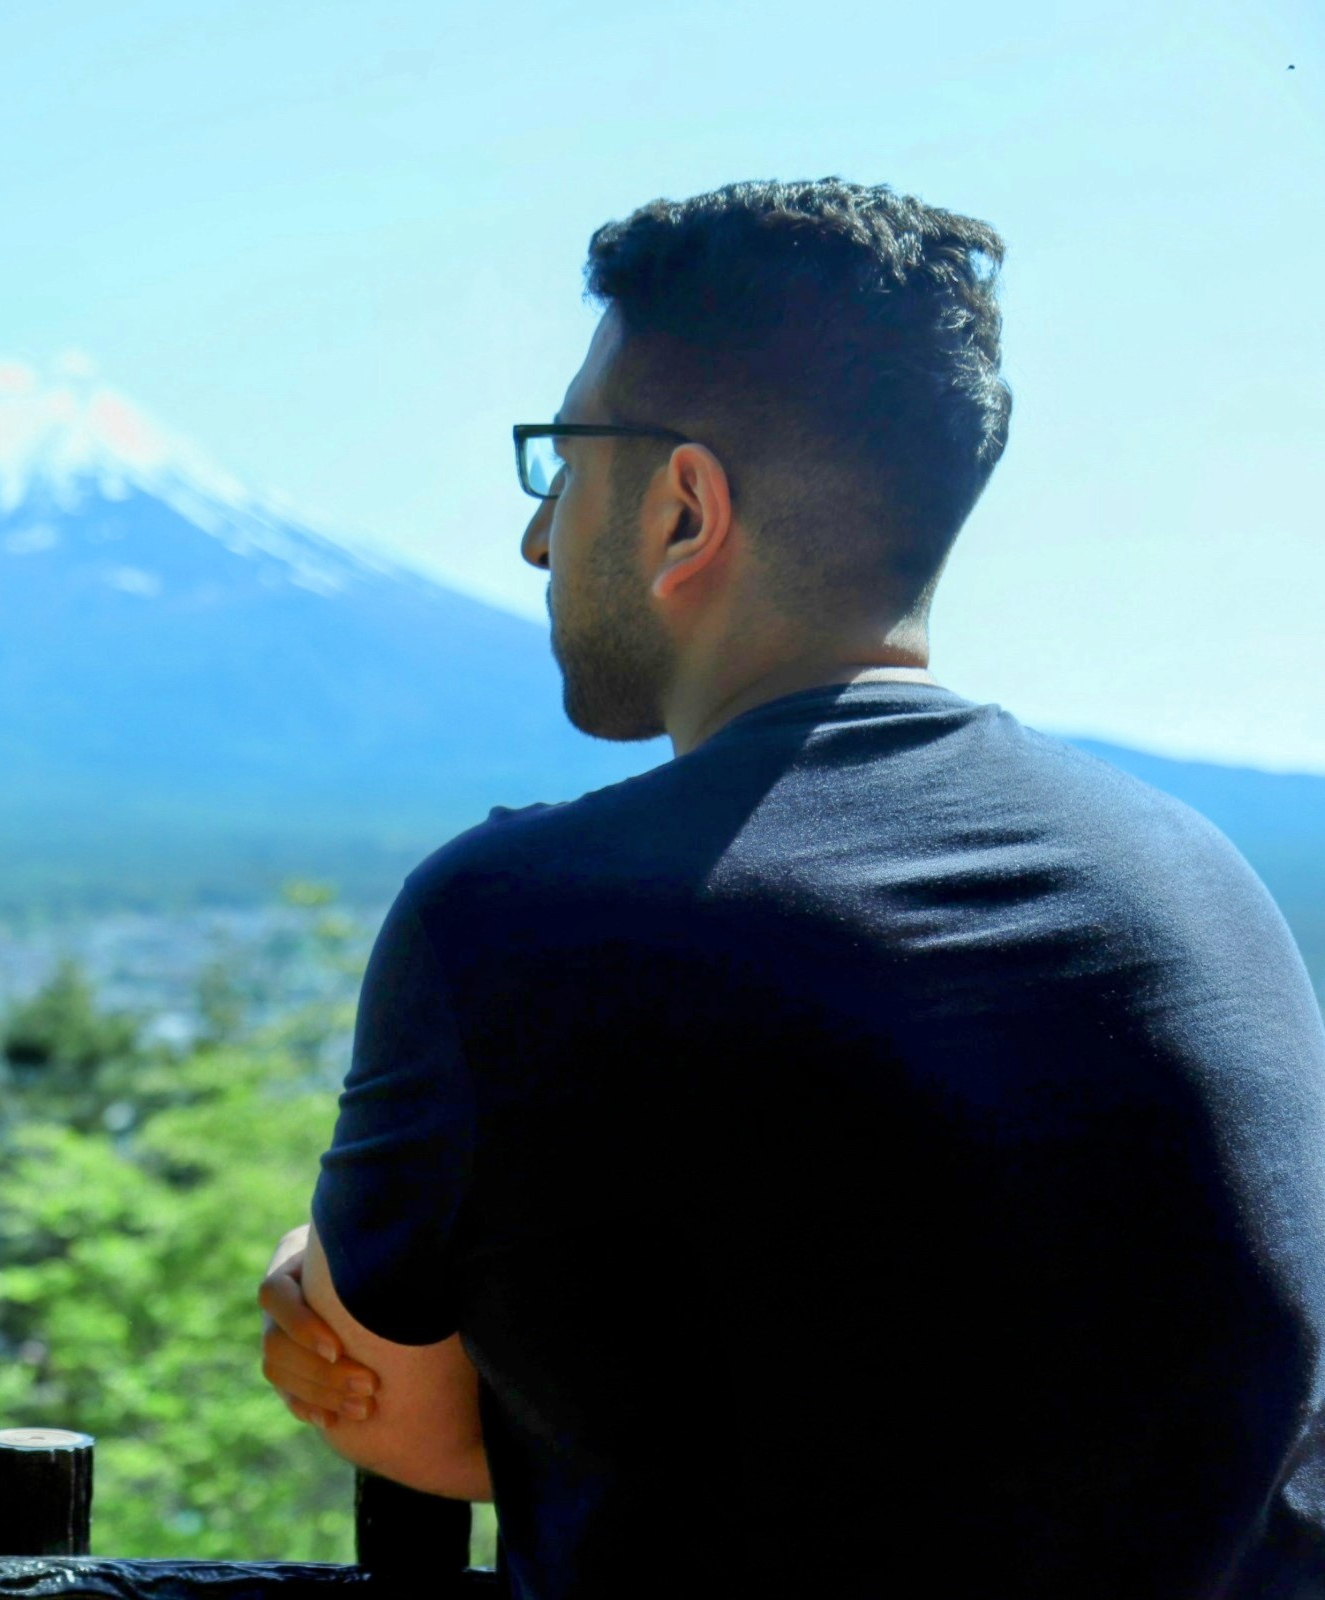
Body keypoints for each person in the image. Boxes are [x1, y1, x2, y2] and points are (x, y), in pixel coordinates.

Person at [255, 177, 1325, 1598]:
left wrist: (324, 1268)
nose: (538, 537)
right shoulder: (1202, 886)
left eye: (562, 466)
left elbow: (409, 1415)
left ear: (684, 509)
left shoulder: (518, 922)